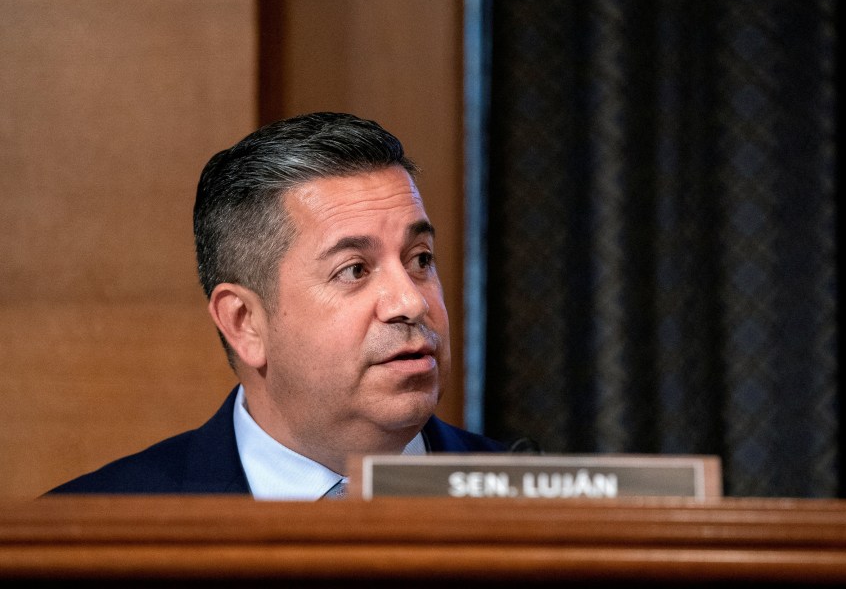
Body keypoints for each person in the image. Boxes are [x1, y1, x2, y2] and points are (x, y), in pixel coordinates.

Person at [48, 112, 506, 498]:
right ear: (244, 323)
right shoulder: (84, 535)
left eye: (420, 260)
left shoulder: (546, 507)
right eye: (355, 270)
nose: (409, 301)